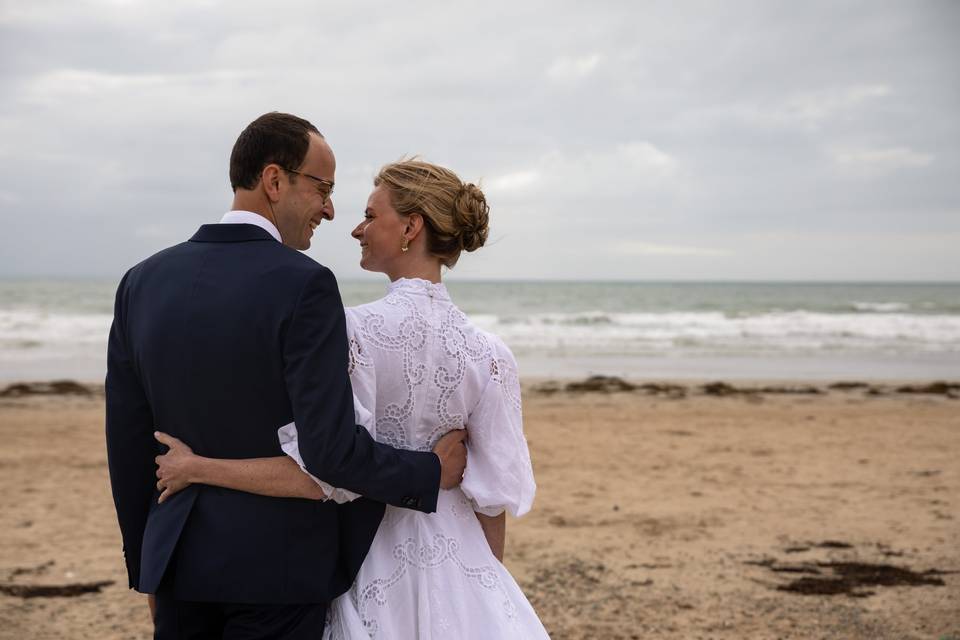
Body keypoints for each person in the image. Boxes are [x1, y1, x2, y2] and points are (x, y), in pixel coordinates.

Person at [105, 113, 468, 640]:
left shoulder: (140, 283)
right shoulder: (304, 285)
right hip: (277, 576)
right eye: (322, 188)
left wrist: (148, 570)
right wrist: (427, 473)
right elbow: (330, 452)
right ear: (275, 181)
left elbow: (129, 445)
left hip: (177, 566)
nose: (329, 208)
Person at [154, 159, 551, 638]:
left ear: (411, 226)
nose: (356, 229)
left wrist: (199, 467)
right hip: (462, 559)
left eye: (369, 215)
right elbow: (491, 500)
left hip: (365, 555)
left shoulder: (352, 331)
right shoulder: (491, 355)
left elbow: (324, 471)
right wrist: (486, 591)